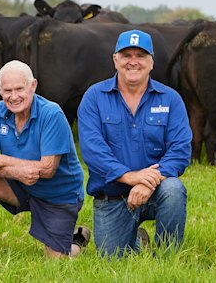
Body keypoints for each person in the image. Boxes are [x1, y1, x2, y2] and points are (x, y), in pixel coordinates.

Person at [78, 29, 192, 257]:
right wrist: (130, 177)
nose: (133, 62)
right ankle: (138, 241)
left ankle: (167, 259)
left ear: (151, 62)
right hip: (112, 195)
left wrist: (147, 182)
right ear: (115, 60)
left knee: (173, 189)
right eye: (126, 55)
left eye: (140, 56)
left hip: (155, 190)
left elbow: (180, 150)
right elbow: (93, 150)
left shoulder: (170, 99)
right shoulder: (94, 97)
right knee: (113, 260)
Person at [0, 60, 89, 258]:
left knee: (56, 260)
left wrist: (2, 161)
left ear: (33, 86)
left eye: (19, 89)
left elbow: (47, 169)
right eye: (7, 90)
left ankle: (77, 238)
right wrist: (16, 171)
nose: (14, 96)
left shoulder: (51, 114)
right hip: (22, 185)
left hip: (58, 194)